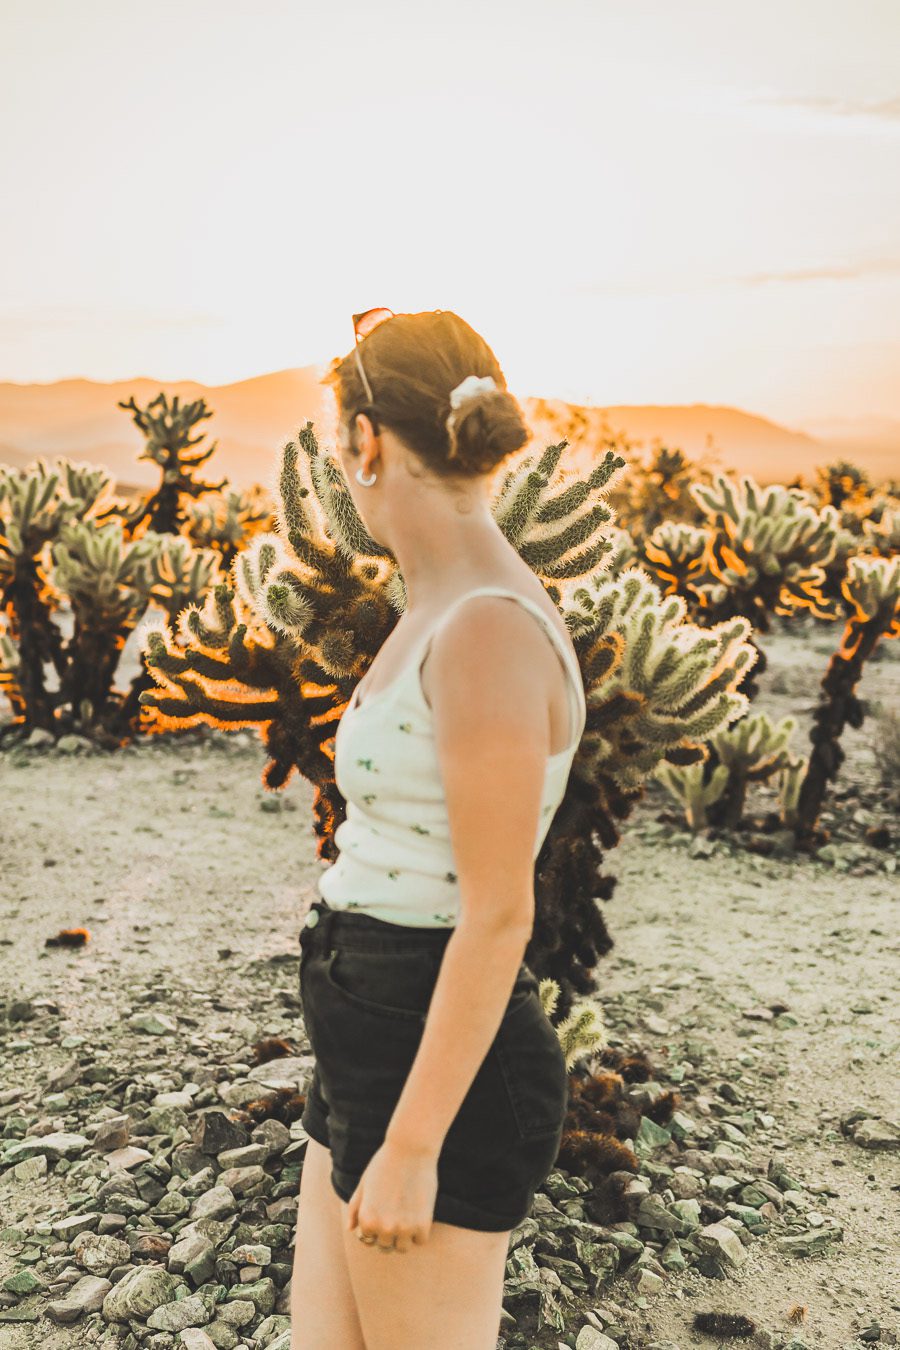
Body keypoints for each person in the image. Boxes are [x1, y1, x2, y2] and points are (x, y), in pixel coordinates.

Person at [290, 308, 587, 1349]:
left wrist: (414, 1144)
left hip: (433, 1057)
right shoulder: (440, 604)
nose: (338, 459)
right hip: (368, 1031)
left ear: (367, 442)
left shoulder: (489, 632)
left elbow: (500, 913)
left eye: (338, 438)